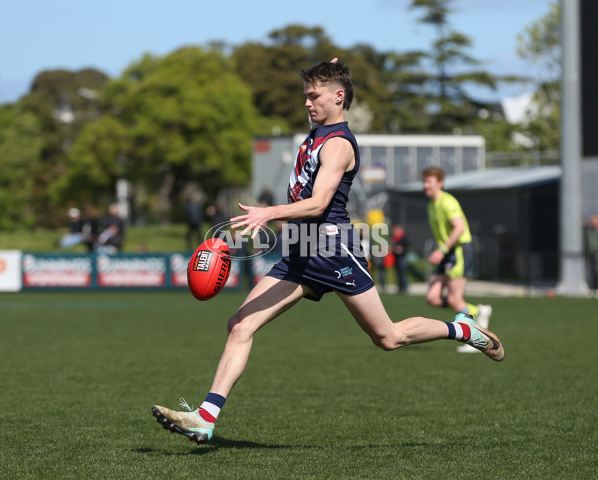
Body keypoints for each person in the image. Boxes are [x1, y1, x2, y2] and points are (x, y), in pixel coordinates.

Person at [151, 60, 504, 445]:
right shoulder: (317, 131)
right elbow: (332, 86)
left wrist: (270, 212)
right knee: (240, 325)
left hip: (334, 252)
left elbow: (319, 203)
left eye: (314, 95)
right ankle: (206, 417)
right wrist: (332, 68)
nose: (307, 102)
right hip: (301, 254)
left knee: (388, 337)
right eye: (305, 95)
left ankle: (463, 329)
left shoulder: (337, 144)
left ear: (338, 98)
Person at [421, 166, 492, 354]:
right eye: (424, 181)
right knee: (433, 297)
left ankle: (477, 337)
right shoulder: (431, 204)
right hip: (446, 253)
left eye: (429, 181)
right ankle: (476, 311)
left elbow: (459, 228)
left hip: (458, 250)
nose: (425, 185)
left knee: (454, 297)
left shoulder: (447, 202)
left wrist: (442, 249)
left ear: (440, 183)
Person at [391, 224, 411, 294]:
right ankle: (400, 287)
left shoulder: (403, 237)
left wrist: (402, 249)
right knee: (398, 273)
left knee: (403, 273)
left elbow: (408, 246)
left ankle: (405, 287)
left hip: (402, 257)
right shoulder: (394, 238)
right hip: (396, 258)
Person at [585, 213, 598, 294]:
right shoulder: (589, 230)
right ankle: (593, 288)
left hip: (597, 253)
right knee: (592, 271)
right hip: (590, 253)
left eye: (594, 220)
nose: (592, 221)